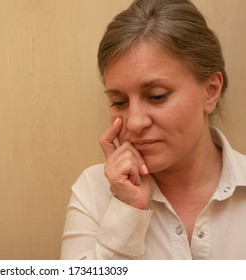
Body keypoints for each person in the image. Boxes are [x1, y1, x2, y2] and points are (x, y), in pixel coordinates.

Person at [60, 0, 246, 260]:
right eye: (119, 102)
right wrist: (127, 210)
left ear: (210, 91)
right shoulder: (94, 191)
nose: (134, 123)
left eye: (157, 96)